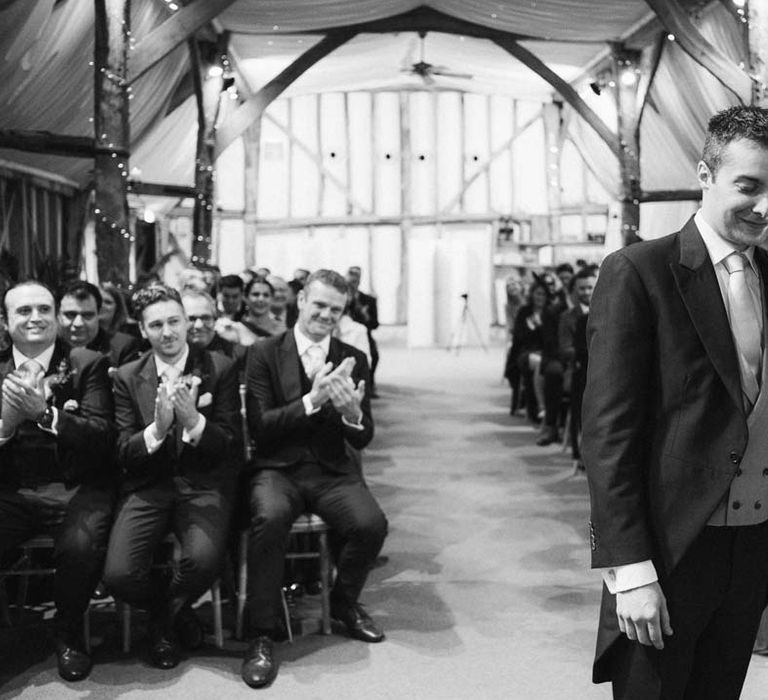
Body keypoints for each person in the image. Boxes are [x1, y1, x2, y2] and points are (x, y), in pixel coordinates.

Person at [583, 105, 768, 699]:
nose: (765, 206)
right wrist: (629, 569)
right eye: (750, 185)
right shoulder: (639, 272)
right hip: (670, 551)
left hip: (754, 547)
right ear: (705, 174)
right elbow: (609, 435)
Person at [241, 268, 387, 689]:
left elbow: (365, 435)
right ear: (300, 300)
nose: (326, 315)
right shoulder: (264, 353)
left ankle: (343, 602)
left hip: (329, 471)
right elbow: (262, 425)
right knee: (268, 521)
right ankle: (262, 634)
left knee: (371, 524)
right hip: (276, 470)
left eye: (335, 310)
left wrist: (352, 415)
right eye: (319, 305)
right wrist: (312, 400)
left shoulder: (352, 357)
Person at [104, 283, 241, 670]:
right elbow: (122, 453)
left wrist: (194, 422)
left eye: (174, 321)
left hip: (202, 484)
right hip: (148, 487)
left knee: (202, 560)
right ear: (142, 330)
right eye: (156, 325)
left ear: (185, 320)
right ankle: (173, 613)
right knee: (118, 575)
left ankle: (161, 624)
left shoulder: (219, 367)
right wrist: (158, 430)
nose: (168, 332)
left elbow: (230, 445)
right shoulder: (128, 376)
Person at [0, 280, 116, 681]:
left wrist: (46, 415)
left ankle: (68, 633)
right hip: (11, 488)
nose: (35, 318)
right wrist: (6, 425)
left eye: (44, 310)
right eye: (23, 311)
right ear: (5, 321)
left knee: (81, 545)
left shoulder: (87, 363)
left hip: (76, 486)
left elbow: (102, 436)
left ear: (55, 316)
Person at [558, 267, 596, 467]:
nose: (586, 292)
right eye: (582, 289)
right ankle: (579, 452)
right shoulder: (567, 317)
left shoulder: (606, 312)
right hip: (577, 369)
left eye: (590, 288)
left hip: (599, 369)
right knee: (580, 396)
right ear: (574, 291)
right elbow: (564, 349)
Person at [58, 280, 142, 367]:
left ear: (98, 315)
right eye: (71, 315)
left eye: (87, 315)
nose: (78, 323)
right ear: (57, 315)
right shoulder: (46, 345)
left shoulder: (122, 348)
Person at [346, 266, 380, 397]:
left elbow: (375, 324)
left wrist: (365, 315)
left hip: (363, 333)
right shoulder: (341, 298)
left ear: (359, 281)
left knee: (373, 355)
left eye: (355, 281)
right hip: (345, 333)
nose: (352, 285)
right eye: (349, 282)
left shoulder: (368, 300)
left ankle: (369, 385)